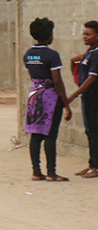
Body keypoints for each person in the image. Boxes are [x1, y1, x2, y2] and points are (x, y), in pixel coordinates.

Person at [24, 17, 73, 182]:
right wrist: (66, 104)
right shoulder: (52, 55)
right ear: (48, 36)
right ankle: (51, 172)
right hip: (50, 96)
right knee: (50, 135)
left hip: (34, 95)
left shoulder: (28, 55)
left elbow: (32, 75)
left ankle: (36, 171)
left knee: (35, 134)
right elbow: (57, 81)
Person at [71, 21, 98, 178]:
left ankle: (95, 166)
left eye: (88, 34)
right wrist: (71, 61)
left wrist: (73, 95)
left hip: (94, 97)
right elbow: (79, 75)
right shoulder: (89, 52)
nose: (85, 37)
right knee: (90, 131)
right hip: (87, 96)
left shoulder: (96, 54)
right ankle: (91, 164)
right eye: (84, 34)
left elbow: (90, 79)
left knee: (94, 131)